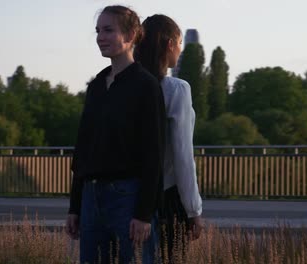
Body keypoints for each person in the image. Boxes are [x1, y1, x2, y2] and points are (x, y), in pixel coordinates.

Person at [65, 6, 165, 264]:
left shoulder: (146, 85)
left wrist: (144, 213)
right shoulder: (97, 85)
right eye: (98, 31)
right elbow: (84, 149)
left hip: (127, 198)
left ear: (131, 35)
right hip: (91, 197)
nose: (100, 37)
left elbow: (154, 153)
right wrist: (75, 206)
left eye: (108, 30)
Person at [135, 14, 204, 258]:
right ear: (170, 45)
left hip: (128, 194)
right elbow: (182, 154)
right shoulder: (176, 89)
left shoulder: (127, 84)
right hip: (165, 198)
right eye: (180, 43)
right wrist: (193, 209)